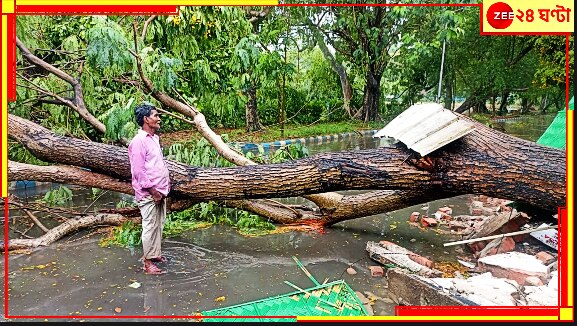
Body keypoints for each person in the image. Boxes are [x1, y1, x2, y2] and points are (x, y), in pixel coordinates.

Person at [128, 103, 171, 275]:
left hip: (160, 191)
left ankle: (155, 255)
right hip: (149, 194)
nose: (159, 118)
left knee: (158, 224)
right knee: (150, 226)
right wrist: (153, 191)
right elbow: (138, 171)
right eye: (155, 115)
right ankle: (147, 263)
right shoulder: (138, 142)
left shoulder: (154, 139)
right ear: (146, 119)